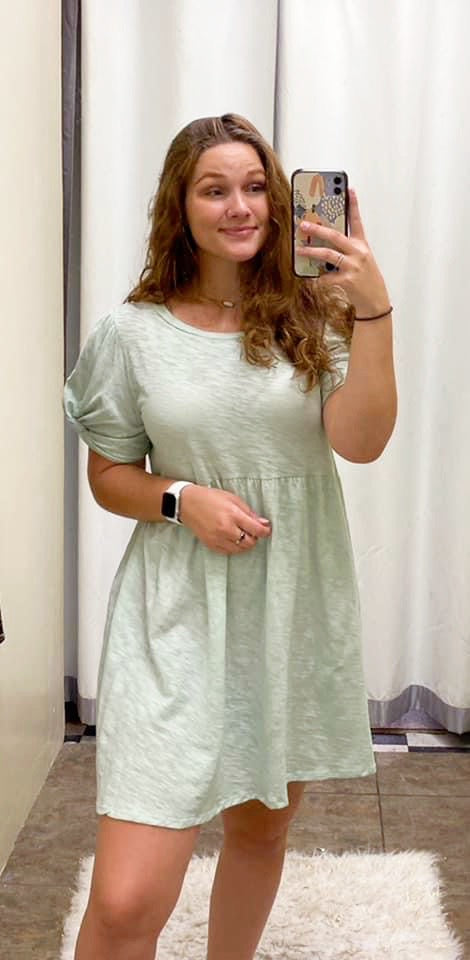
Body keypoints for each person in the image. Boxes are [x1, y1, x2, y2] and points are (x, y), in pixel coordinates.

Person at [63, 113, 397, 960]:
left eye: (255, 187)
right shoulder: (132, 335)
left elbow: (361, 443)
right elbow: (109, 476)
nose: (240, 206)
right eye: (215, 190)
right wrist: (183, 499)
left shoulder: (318, 317)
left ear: (281, 202)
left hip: (289, 602)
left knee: (261, 830)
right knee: (127, 899)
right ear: (180, 206)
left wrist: (374, 309)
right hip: (174, 610)